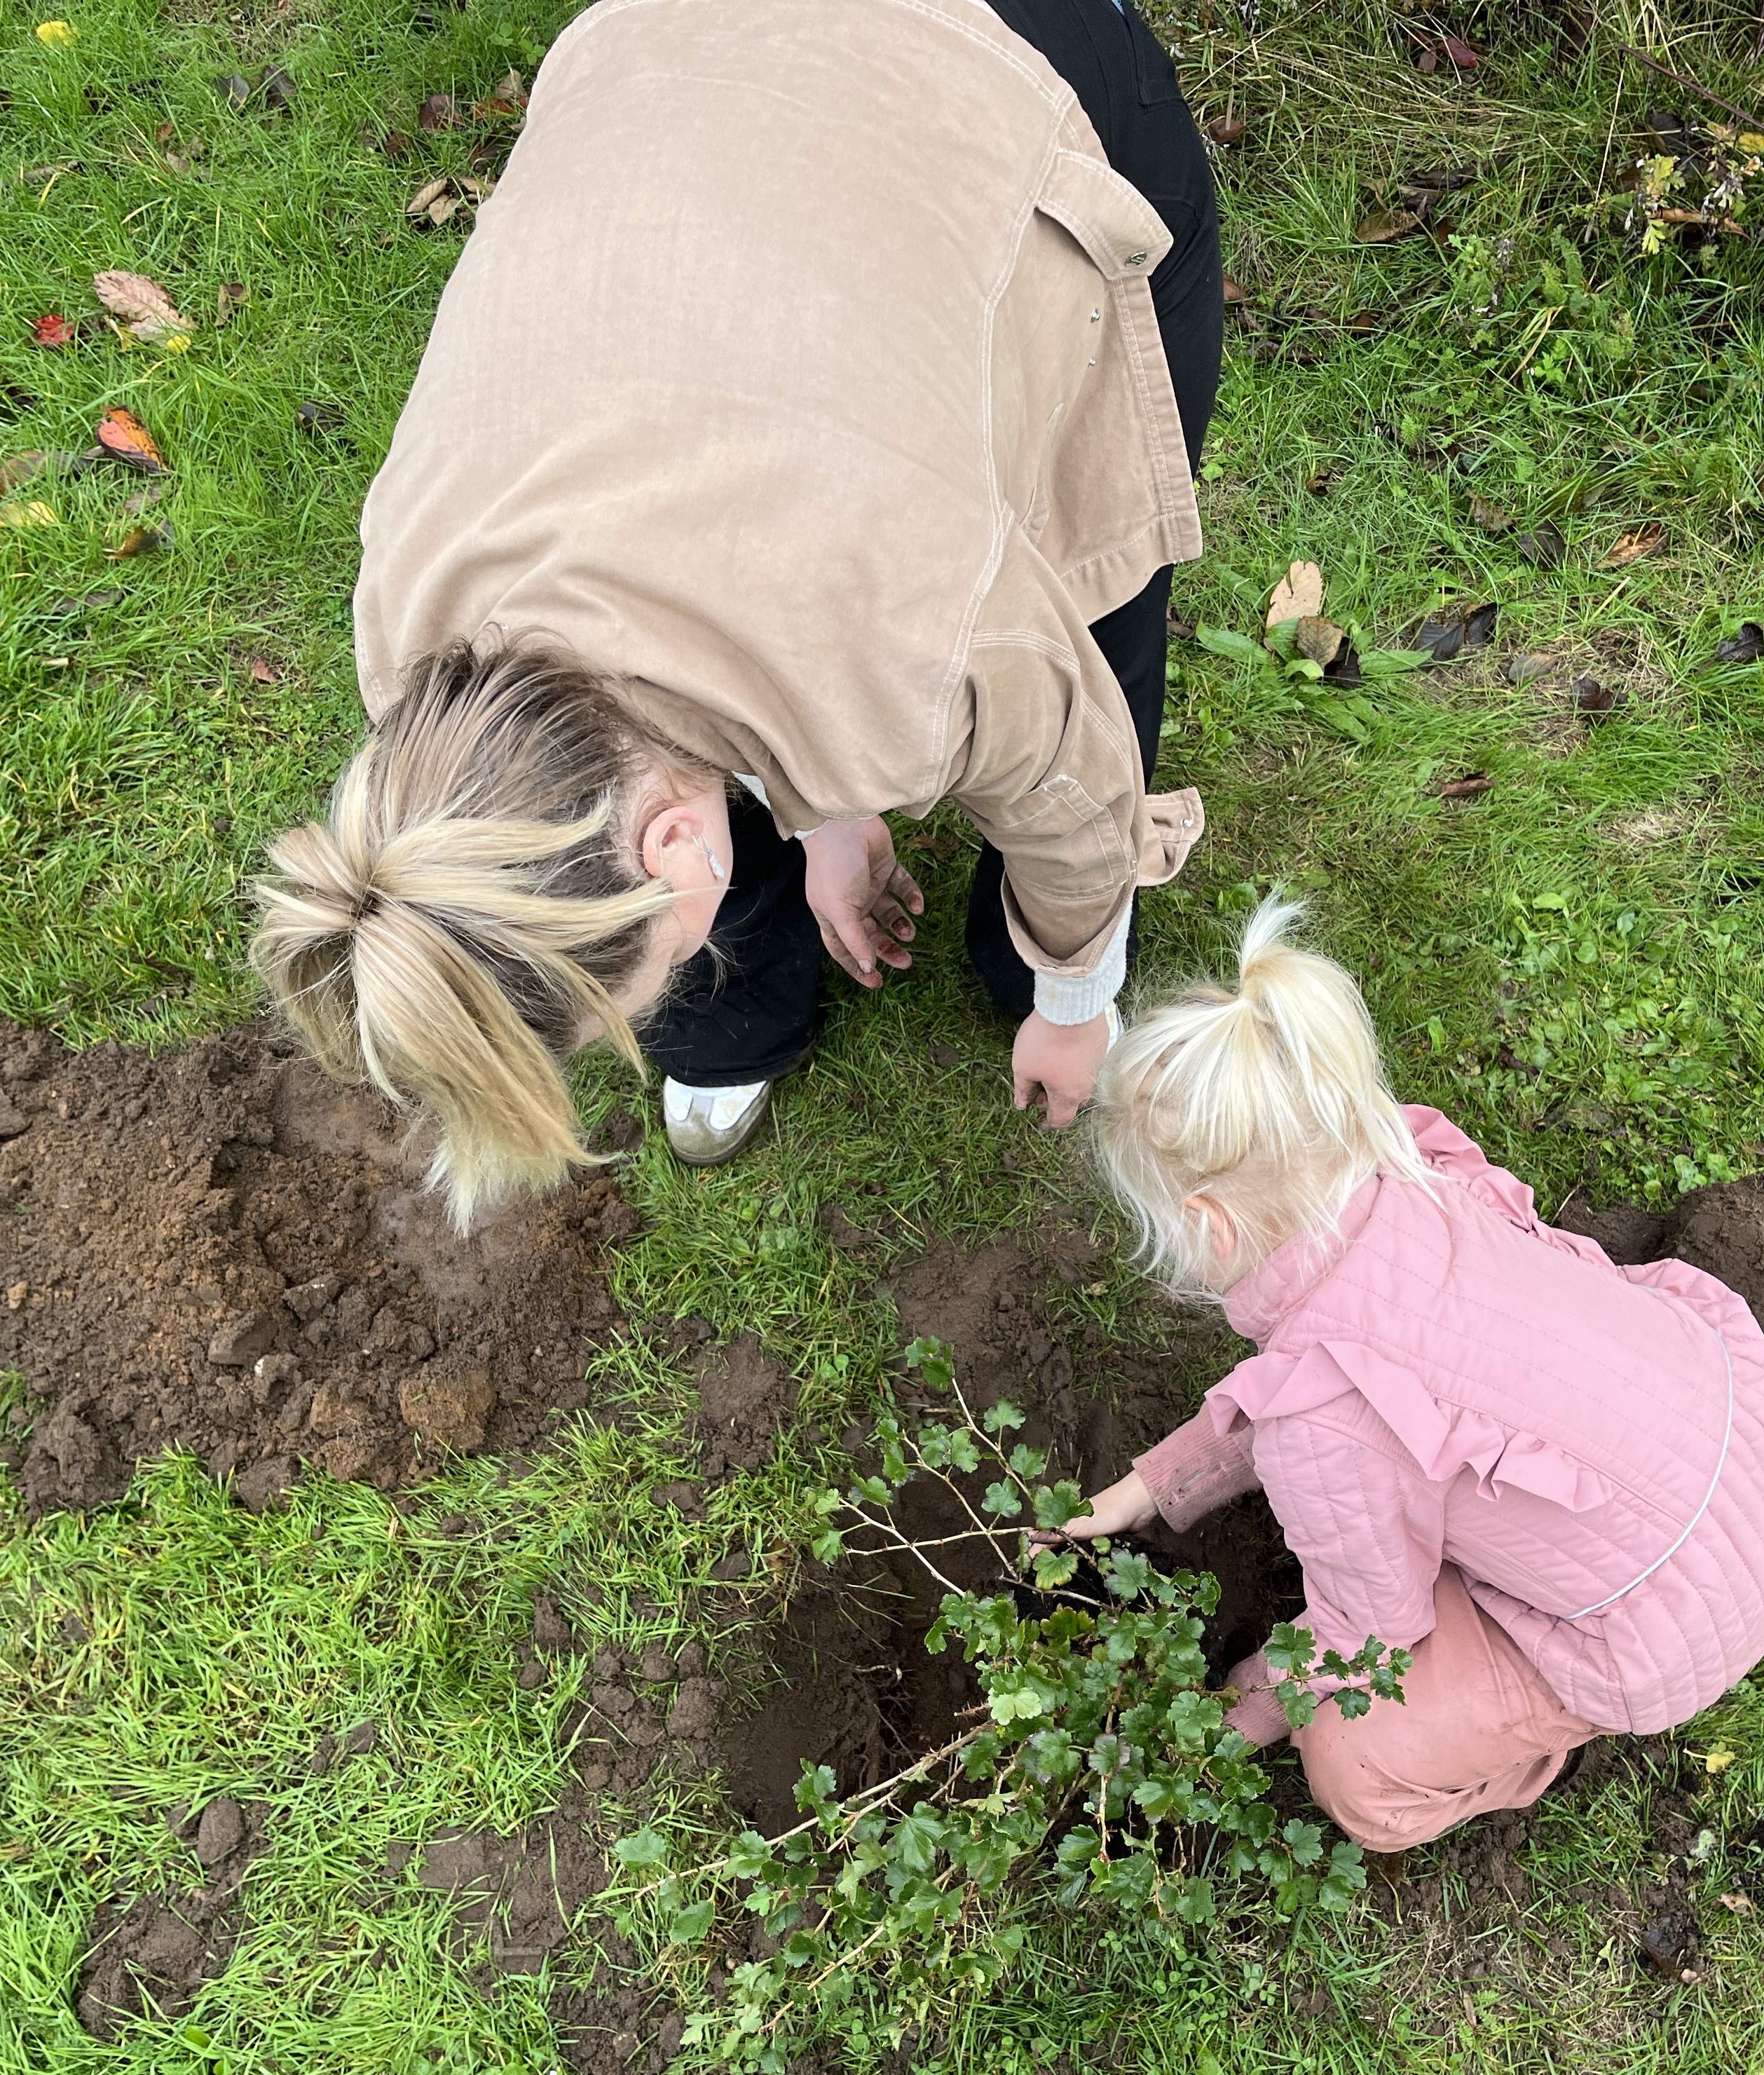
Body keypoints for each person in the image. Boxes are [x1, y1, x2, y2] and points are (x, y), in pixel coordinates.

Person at [250, 0, 1222, 1218]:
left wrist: (1078, 1009)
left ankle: (1025, 977)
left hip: (1003, 72)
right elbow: (709, 622)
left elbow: (1068, 772)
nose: (650, 992)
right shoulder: (410, 632)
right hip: (670, 71)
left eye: (657, 976)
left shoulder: (926, 631)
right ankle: (743, 1027)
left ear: (674, 851)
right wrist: (823, 805)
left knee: (1100, 595)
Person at [1061, 904, 1764, 1856]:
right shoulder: (1414, 1178)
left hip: (1665, 1625)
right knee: (1409, 1461)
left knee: (1354, 1760)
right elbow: (1324, 1380)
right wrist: (1153, 1488)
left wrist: (1242, 1706)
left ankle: (1531, 1740)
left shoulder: (1324, 1430)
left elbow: (1373, 1627)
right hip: (1709, 1432)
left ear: (1210, 1231)